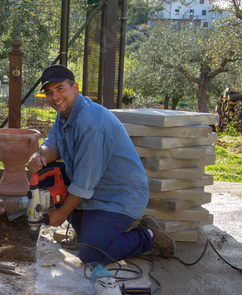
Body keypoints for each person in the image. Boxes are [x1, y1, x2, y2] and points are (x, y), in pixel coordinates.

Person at [27, 65, 176, 265]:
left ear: (75, 88)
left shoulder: (91, 124)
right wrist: (38, 155)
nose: (55, 97)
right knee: (52, 175)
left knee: (91, 254)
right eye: (50, 93)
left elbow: (83, 183)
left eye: (60, 89)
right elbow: (52, 145)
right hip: (95, 192)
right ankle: (94, 233)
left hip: (119, 196)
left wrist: (61, 214)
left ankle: (148, 236)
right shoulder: (65, 114)